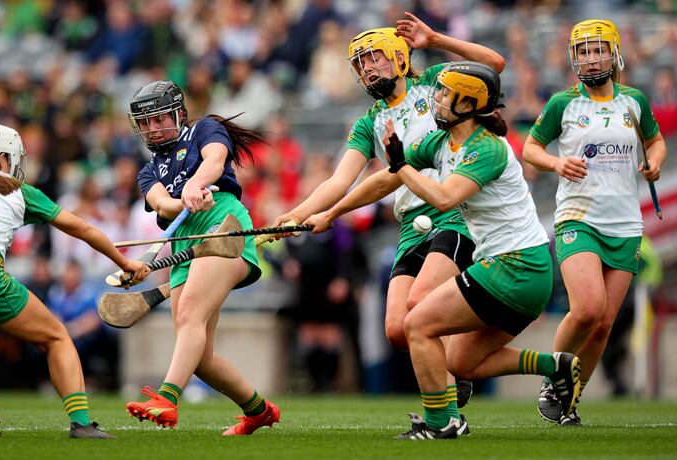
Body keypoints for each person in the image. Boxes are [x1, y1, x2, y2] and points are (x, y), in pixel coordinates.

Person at [275, 13, 504, 425]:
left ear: (401, 57)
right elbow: (340, 180)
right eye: (360, 64)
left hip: (451, 212)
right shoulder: (368, 122)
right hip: (408, 226)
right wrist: (296, 213)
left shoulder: (433, 83)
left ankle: (446, 416)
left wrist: (435, 38)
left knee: (420, 308)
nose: (367, 69)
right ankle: (454, 366)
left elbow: (493, 65)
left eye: (375, 58)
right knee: (398, 330)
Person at [382, 61, 581, 440]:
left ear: (467, 103)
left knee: (417, 324)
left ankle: (443, 423)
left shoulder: (486, 148)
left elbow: (443, 198)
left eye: (443, 93)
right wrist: (331, 211)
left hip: (515, 266)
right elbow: (388, 177)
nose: (435, 98)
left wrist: (399, 165)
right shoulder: (444, 141)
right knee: (461, 361)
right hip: (522, 269)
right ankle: (554, 366)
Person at [0, 122, 149, 439]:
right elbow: (84, 230)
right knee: (56, 337)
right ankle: (81, 423)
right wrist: (125, 262)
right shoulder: (18, 190)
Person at [522, 19, 667, 426]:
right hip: (578, 218)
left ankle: (570, 398)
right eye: (583, 51)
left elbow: (655, 141)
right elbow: (532, 148)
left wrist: (654, 164)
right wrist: (555, 162)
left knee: (603, 326)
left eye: (598, 49)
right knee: (587, 309)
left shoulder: (633, 100)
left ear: (614, 53)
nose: (590, 58)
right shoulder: (562, 104)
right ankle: (552, 379)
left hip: (624, 225)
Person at [124, 80, 278, 436]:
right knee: (200, 357)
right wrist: (184, 202)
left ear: (178, 113)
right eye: (144, 123)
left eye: (158, 118)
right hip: (184, 242)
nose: (151, 128)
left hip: (222, 223)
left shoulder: (204, 129)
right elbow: (162, 204)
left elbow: (215, 160)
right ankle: (259, 411)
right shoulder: (148, 171)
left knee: (190, 313)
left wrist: (196, 185)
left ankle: (166, 398)